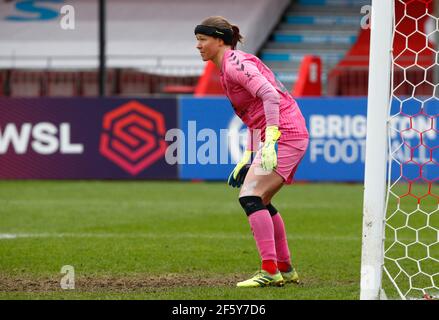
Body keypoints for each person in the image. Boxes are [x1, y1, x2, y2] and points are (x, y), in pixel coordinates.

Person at [194, 16, 309, 288]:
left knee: (250, 197)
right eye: (197, 40)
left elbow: (270, 96)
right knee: (262, 199)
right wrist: (249, 154)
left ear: (219, 40)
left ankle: (270, 270)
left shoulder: (235, 65)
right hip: (286, 133)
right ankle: (284, 267)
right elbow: (254, 114)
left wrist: (270, 141)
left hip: (284, 135)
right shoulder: (232, 64)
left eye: (202, 39)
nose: (198, 46)